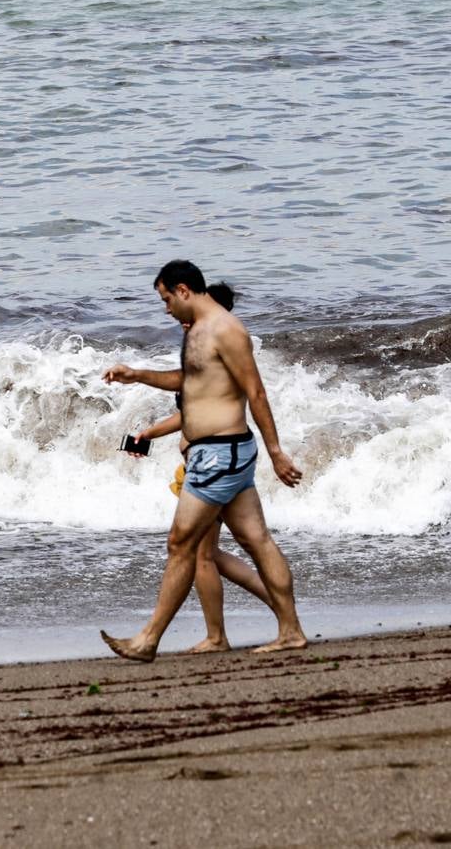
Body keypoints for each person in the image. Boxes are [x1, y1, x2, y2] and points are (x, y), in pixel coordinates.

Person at [101, 260, 307, 660]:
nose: (165, 309)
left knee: (182, 543)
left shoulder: (226, 329)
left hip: (219, 456)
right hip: (219, 455)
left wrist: (276, 452)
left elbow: (256, 393)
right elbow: (191, 380)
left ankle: (147, 640)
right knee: (256, 541)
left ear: (182, 290)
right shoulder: (198, 330)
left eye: (165, 300)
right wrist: (137, 375)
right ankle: (291, 631)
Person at [126, 282, 275, 653]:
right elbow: (188, 413)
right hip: (208, 464)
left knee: (202, 554)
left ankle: (216, 637)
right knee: (213, 553)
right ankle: (279, 603)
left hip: (212, 465)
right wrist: (149, 434)